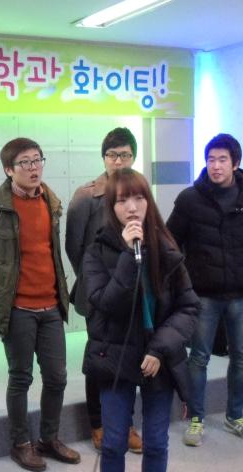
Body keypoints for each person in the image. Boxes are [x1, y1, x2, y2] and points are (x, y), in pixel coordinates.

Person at [83, 169, 198, 472]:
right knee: (114, 442)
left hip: (157, 358)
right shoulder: (96, 252)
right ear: (111, 206)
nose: (132, 207)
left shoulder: (167, 248)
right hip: (115, 357)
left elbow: (189, 307)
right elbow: (105, 304)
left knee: (157, 442)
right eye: (122, 201)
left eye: (138, 198)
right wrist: (127, 257)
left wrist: (160, 348)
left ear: (148, 202)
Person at [0, 137, 79, 472]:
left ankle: (49, 439)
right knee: (21, 377)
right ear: (8, 170)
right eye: (24, 162)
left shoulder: (50, 202)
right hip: (18, 309)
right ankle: (21, 443)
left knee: (57, 377)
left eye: (37, 160)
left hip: (51, 306)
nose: (33, 168)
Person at [166, 133, 243, 446]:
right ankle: (196, 418)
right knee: (199, 358)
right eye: (211, 159)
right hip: (203, 294)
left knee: (241, 358)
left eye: (222, 159)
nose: (215, 166)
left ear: (235, 163)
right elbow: (171, 241)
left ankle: (235, 415)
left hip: (240, 294)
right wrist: (185, 279)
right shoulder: (190, 199)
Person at [66, 127, 143, 453]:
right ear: (103, 158)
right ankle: (97, 424)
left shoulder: (139, 191)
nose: (118, 161)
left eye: (124, 155)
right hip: (98, 293)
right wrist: (93, 279)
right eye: (112, 155)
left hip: (131, 292)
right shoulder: (86, 196)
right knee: (99, 357)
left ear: (133, 157)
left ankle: (126, 424)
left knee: (129, 355)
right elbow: (73, 246)